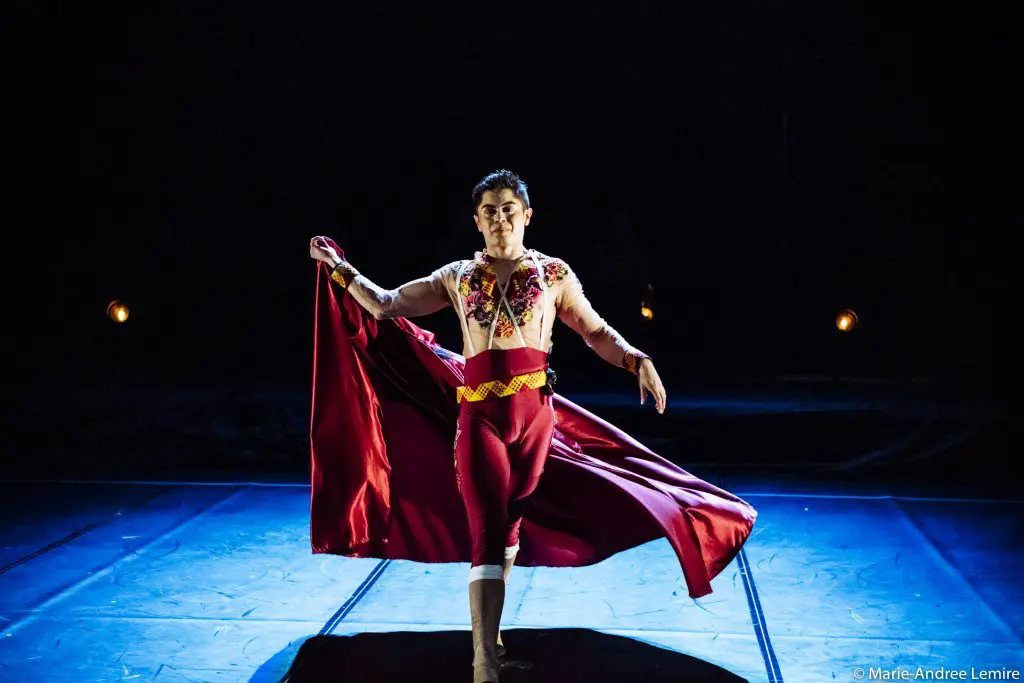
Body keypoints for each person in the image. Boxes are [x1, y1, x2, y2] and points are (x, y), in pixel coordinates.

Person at [308, 170, 754, 683]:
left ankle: (492, 639)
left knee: (511, 526)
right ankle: (482, 664)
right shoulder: (456, 276)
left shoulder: (554, 274)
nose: (500, 218)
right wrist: (339, 269)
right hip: (479, 419)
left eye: (508, 209)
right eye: (489, 211)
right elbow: (386, 304)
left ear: (527, 215)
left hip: (536, 423)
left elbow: (594, 331)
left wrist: (635, 358)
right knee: (487, 529)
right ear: (477, 221)